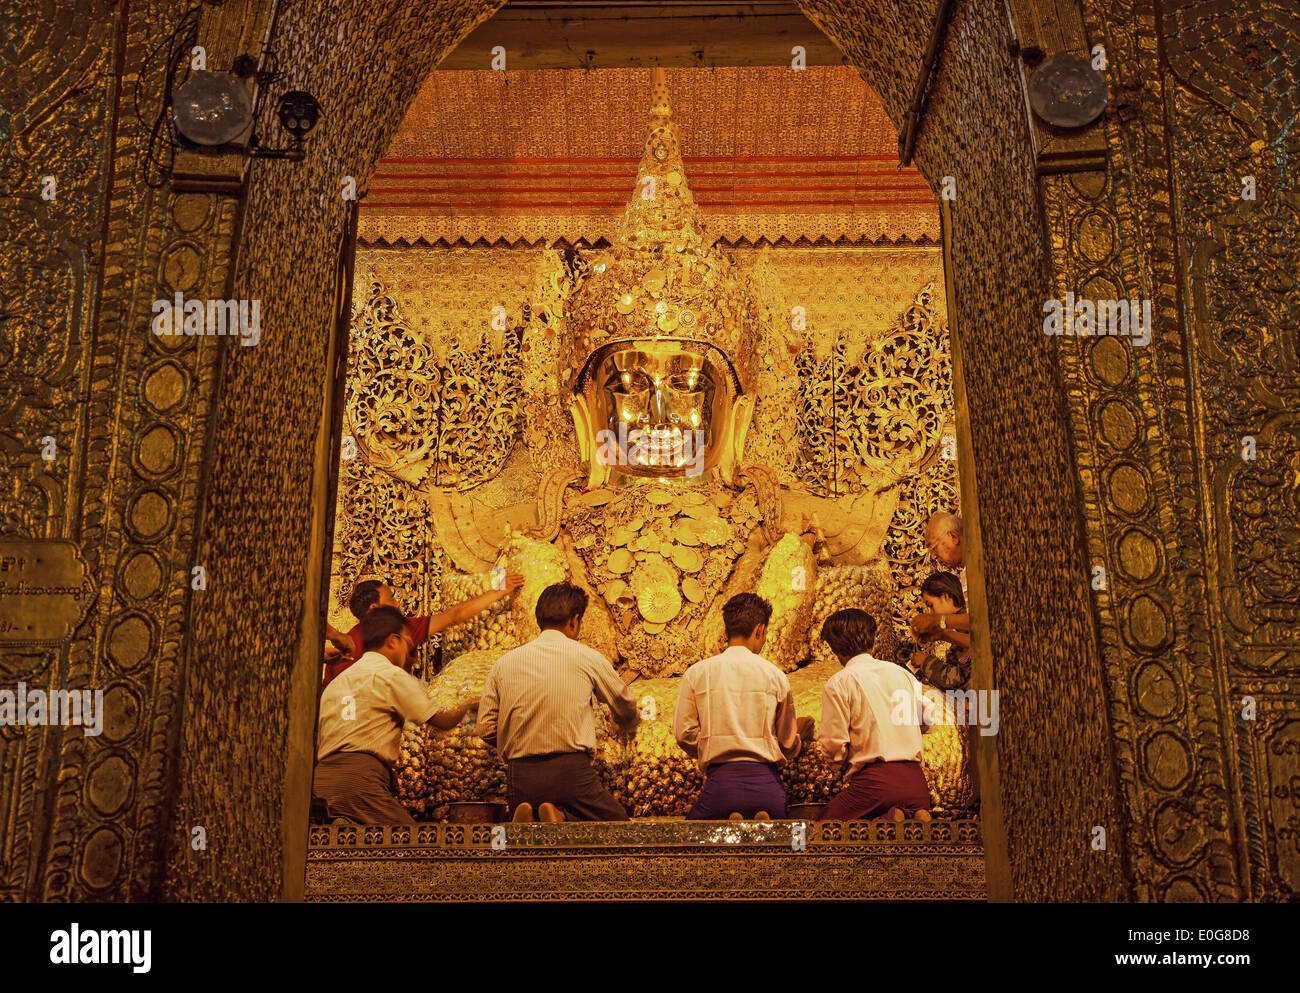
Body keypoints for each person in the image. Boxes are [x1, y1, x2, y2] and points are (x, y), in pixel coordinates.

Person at [474, 582, 639, 823]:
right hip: (571, 773)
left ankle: (537, 814)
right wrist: (627, 723)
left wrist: (516, 736)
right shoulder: (587, 657)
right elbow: (625, 704)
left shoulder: (504, 663)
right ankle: (561, 818)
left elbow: (484, 727)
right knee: (618, 828)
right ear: (574, 621)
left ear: (538, 619)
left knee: (533, 848)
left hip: (520, 777)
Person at [314, 606, 476, 824]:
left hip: (320, 781)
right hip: (360, 781)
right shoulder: (391, 675)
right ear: (392, 641)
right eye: (407, 642)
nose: (409, 650)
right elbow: (442, 721)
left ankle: (345, 823)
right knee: (410, 846)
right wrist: (468, 704)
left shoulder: (338, 682)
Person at [673, 593, 811, 820]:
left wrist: (711, 743)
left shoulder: (697, 673)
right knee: (792, 848)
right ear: (759, 630)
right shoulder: (775, 676)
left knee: (689, 847)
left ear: (727, 629)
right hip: (768, 787)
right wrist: (798, 738)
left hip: (720, 788)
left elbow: (683, 734)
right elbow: (787, 744)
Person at [815, 608, 934, 821]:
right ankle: (897, 815)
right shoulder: (902, 674)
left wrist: (838, 767)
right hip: (917, 784)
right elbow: (927, 719)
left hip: (875, 785)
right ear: (874, 642)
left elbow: (834, 744)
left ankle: (889, 815)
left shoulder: (840, 682)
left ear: (836, 650)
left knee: (822, 831)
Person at [323, 572, 523, 687]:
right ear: (375, 608)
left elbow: (455, 616)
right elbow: (455, 616)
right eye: (391, 598)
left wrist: (499, 589)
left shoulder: (402, 627)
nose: (398, 604)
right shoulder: (345, 652)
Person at [910, 511, 970, 647]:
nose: (934, 557)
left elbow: (981, 621)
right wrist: (943, 634)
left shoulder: (974, 571)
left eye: (934, 548)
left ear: (954, 537)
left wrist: (938, 621)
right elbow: (978, 638)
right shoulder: (967, 573)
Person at [909, 572, 971, 690]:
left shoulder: (967, 626)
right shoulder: (959, 627)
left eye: (931, 605)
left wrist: (925, 662)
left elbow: (961, 679)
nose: (931, 613)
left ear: (945, 597)